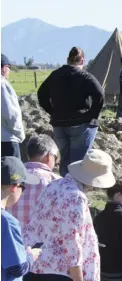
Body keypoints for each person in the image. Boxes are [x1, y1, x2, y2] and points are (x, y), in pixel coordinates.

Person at [23, 149, 115, 281]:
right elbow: (71, 242)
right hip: (58, 276)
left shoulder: (55, 185)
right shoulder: (76, 197)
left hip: (35, 267)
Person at [37, 47, 105, 177]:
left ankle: (63, 188)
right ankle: (74, 191)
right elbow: (100, 95)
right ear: (82, 60)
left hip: (59, 124)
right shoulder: (84, 76)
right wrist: (92, 115)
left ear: (67, 59)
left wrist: (52, 111)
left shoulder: (55, 75)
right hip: (80, 123)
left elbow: (41, 94)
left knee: (65, 160)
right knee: (78, 163)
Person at [1, 156, 41, 281]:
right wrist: (31, 255)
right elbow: (17, 268)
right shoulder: (6, 221)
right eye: (23, 187)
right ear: (14, 186)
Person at [8, 135, 61, 230]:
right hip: (43, 242)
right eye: (56, 158)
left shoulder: (9, 178)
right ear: (49, 156)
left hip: (10, 241)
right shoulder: (59, 183)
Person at [1, 54, 25, 159]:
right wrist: (20, 134)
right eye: (9, 67)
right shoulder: (2, 84)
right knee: (13, 174)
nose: (9, 70)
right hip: (7, 140)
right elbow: (10, 114)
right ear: (3, 68)